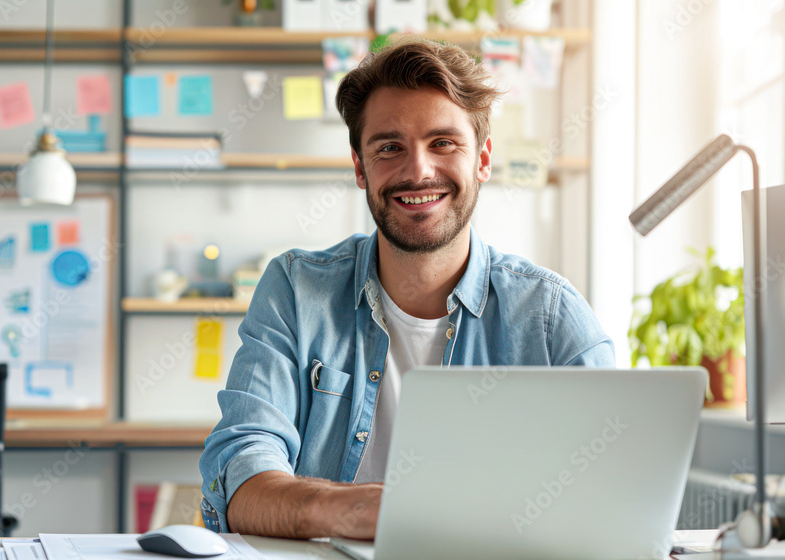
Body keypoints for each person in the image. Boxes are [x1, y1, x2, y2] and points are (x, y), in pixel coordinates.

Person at [198, 37, 615, 539]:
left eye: (443, 143)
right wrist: (351, 510)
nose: (418, 170)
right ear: (360, 168)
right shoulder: (294, 290)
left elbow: (613, 489)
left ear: (482, 159)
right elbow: (241, 469)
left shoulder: (550, 315)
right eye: (390, 147)